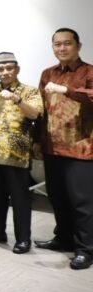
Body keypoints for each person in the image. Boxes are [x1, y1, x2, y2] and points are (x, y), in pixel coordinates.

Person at [35, 28, 93, 270]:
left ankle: (86, 250)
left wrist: (67, 90)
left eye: (67, 43)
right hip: (52, 148)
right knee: (57, 198)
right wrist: (37, 141)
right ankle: (63, 238)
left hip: (81, 150)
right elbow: (41, 110)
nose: (62, 48)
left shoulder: (89, 72)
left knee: (82, 204)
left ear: (78, 46)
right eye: (57, 44)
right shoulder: (47, 73)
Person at [0, 52, 42, 254]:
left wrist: (16, 99)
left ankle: (23, 239)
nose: (5, 72)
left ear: (17, 69)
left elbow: (34, 114)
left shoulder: (29, 91)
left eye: (9, 68)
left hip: (17, 155)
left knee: (20, 199)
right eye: (1, 69)